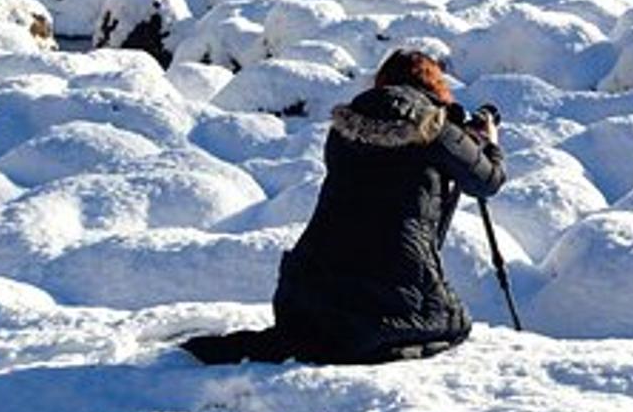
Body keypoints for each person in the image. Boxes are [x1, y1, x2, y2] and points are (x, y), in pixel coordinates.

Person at [183, 49, 507, 365]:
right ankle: (364, 343)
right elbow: (486, 181)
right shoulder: (436, 128)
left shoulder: (345, 126)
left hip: (308, 291)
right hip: (393, 285)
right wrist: (487, 142)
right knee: (454, 322)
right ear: (436, 88)